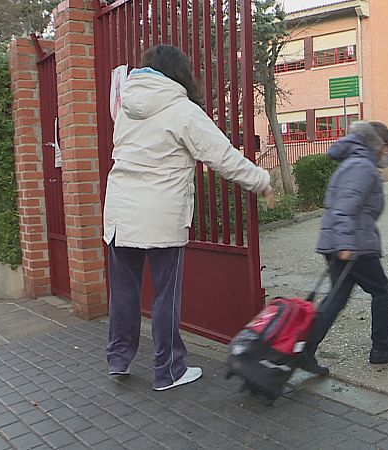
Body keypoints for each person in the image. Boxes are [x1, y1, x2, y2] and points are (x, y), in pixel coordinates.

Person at [103, 45, 274, 391]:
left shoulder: (125, 106)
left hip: (119, 214)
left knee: (123, 292)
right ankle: (167, 370)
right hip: (161, 215)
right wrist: (262, 182)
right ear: (180, 73)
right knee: (165, 294)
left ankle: (118, 359)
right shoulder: (182, 110)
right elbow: (222, 156)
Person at [299, 121, 388, 376]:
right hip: (353, 245)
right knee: (381, 290)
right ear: (380, 145)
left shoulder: (354, 162)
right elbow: (345, 207)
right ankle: (382, 349)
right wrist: (346, 244)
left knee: (336, 299)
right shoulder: (362, 167)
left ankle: (304, 351)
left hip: (343, 241)